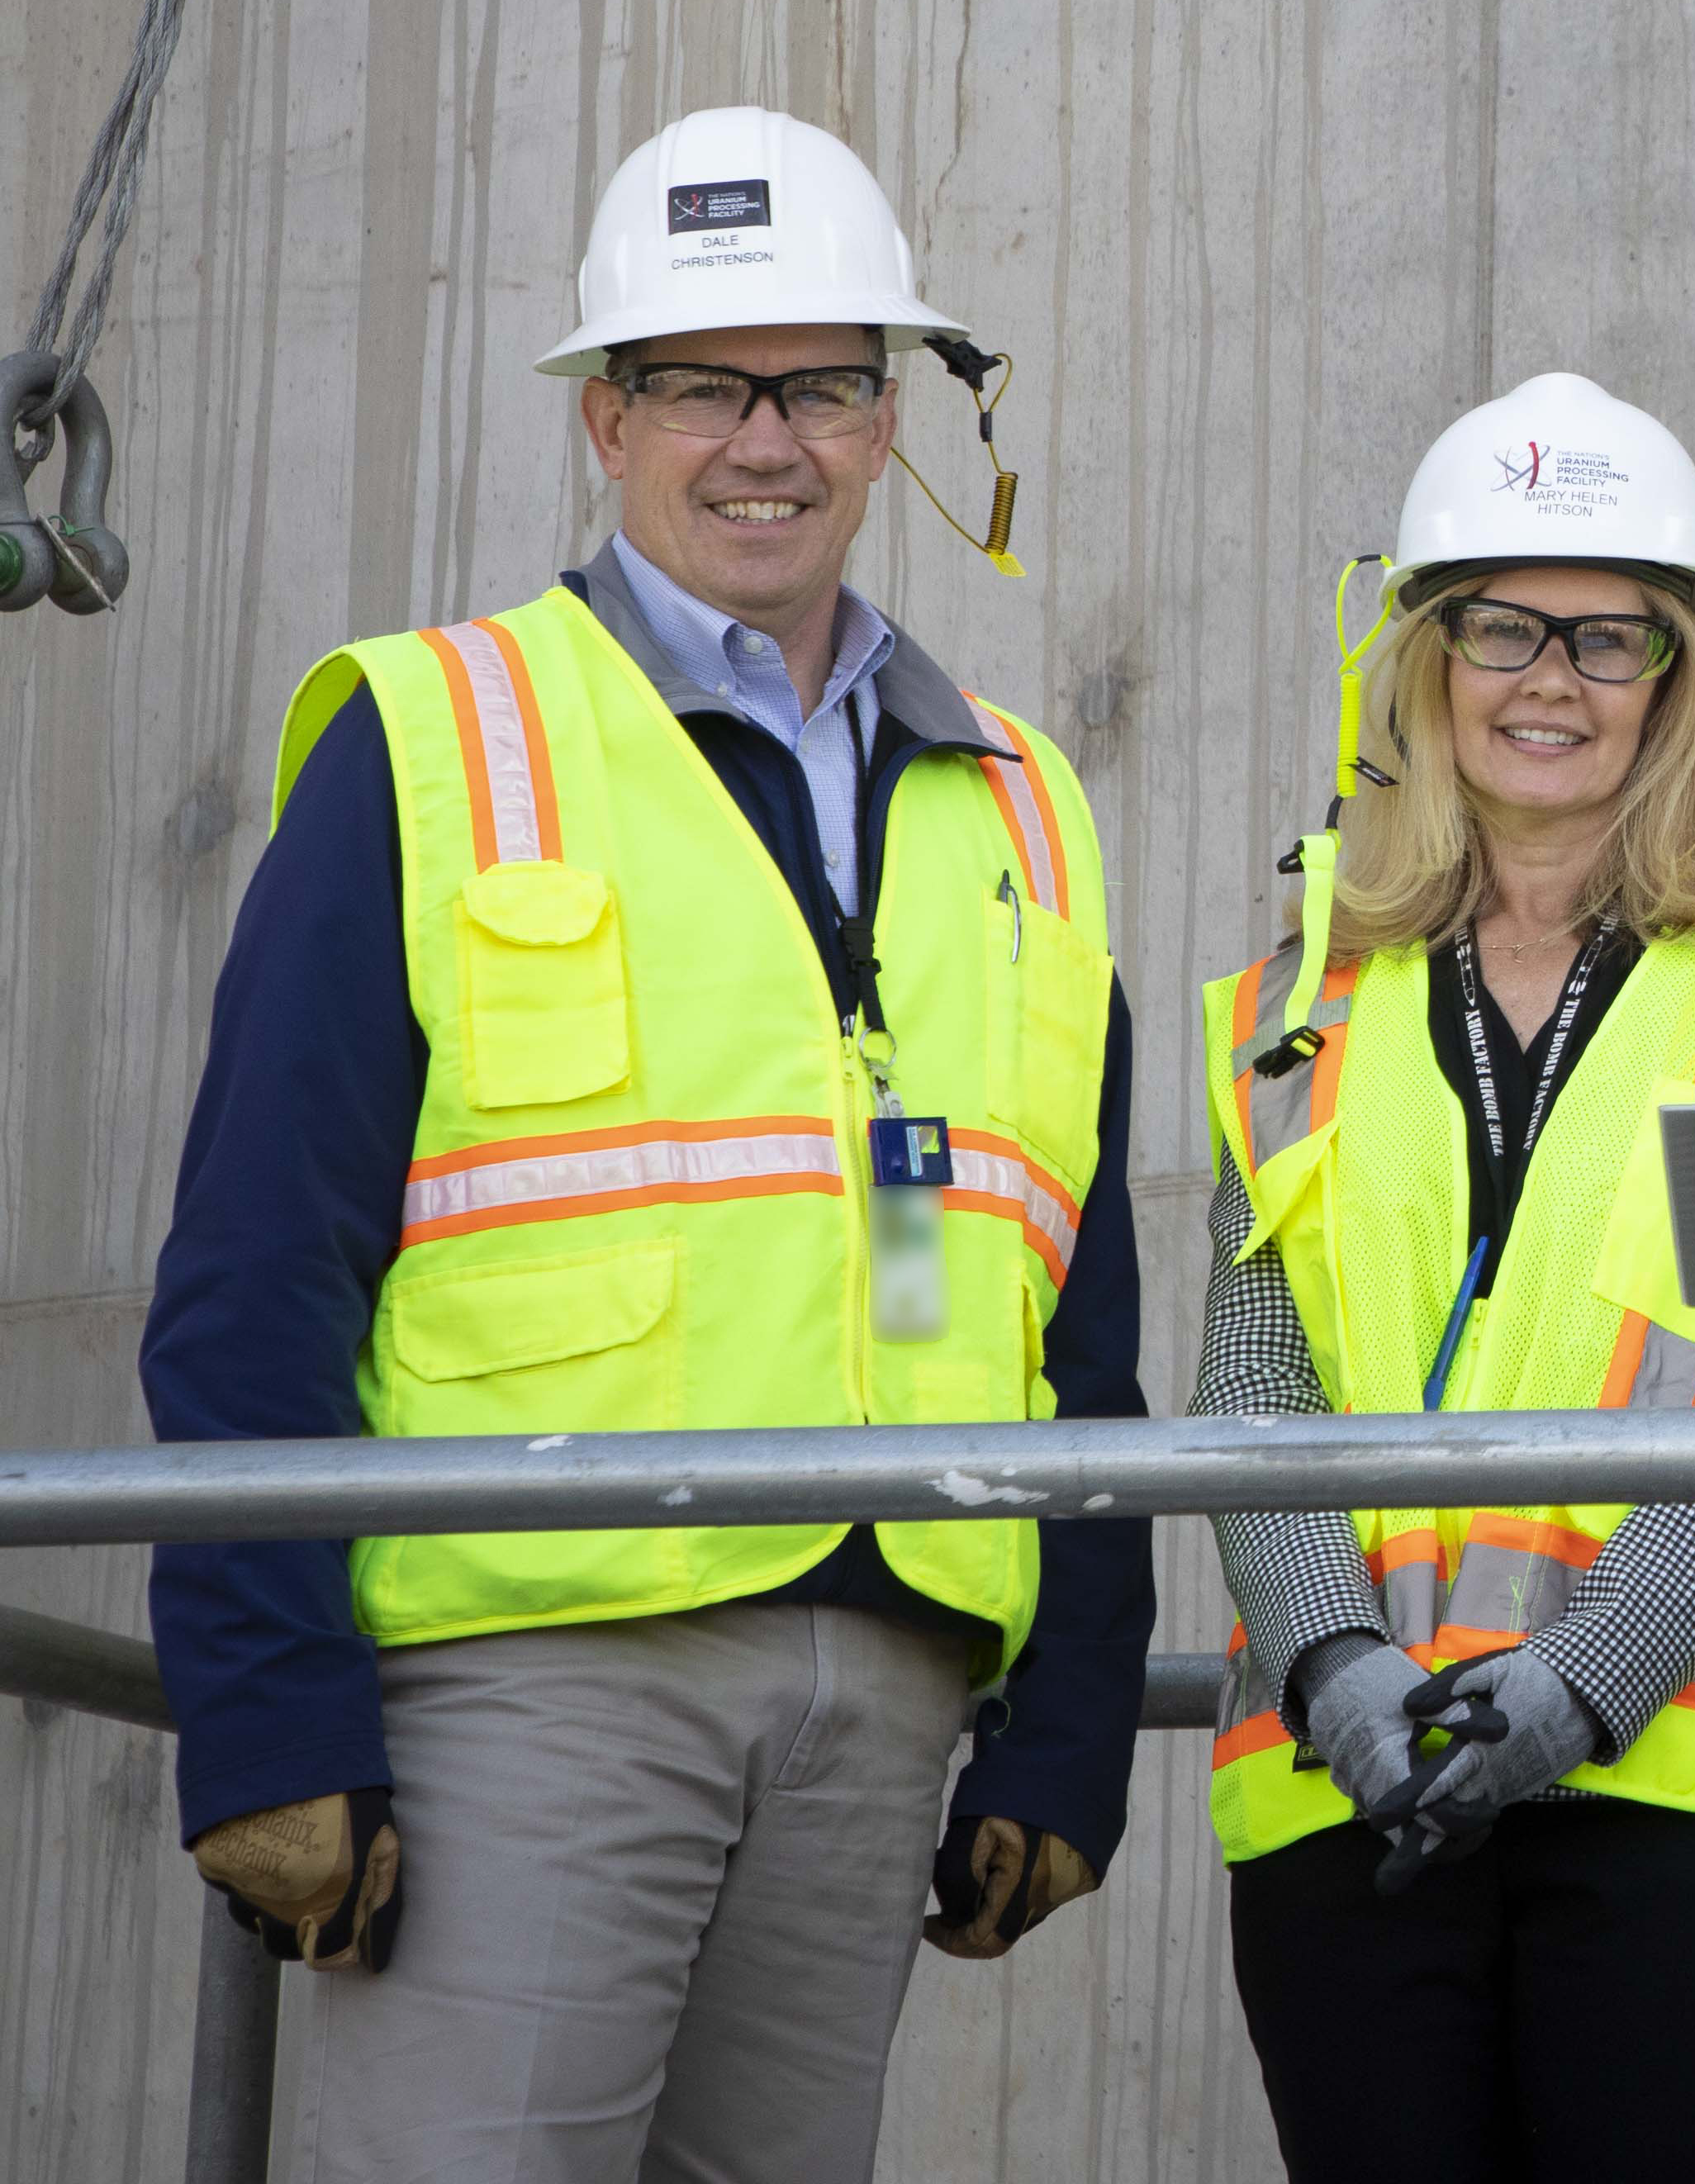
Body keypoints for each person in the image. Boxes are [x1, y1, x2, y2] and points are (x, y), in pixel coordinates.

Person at [142, 105, 1149, 2183]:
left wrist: (1067, 1709)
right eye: (703, 381)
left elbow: (1077, 1300)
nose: (762, 437)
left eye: (824, 383)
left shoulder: (1024, 802)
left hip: (886, 1679)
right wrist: (265, 1702)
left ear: (894, 424)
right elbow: (257, 1261)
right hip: (531, 1669)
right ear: (606, 416)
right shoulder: (439, 739)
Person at [1196, 373, 1695, 2182]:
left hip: (1688, 1788)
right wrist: (1335, 1665)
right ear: (1425, 661)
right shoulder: (1305, 998)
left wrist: (1581, 1682)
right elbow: (1251, 1374)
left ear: (1679, 677)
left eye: (1610, 636)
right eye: (1502, 625)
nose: (1551, 679)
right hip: (1349, 1769)